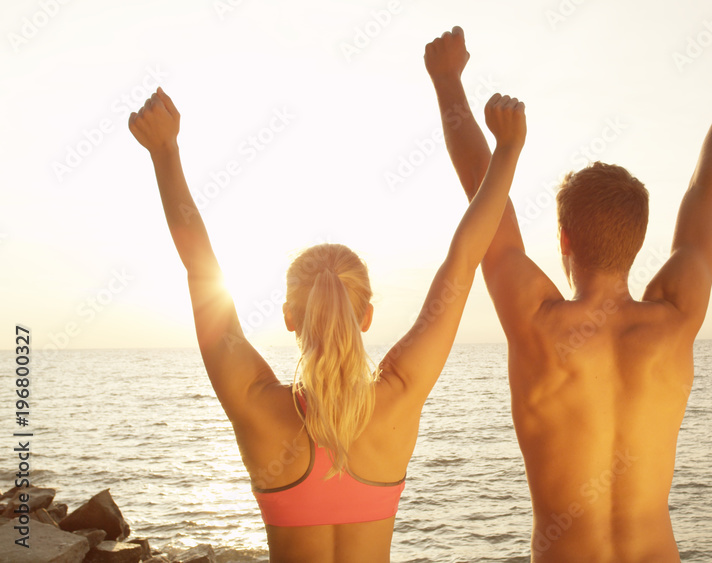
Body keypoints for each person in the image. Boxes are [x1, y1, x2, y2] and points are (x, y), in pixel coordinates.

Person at [128, 85, 526, 562]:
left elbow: (200, 267)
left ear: (289, 317)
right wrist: (506, 150)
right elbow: (463, 262)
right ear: (367, 317)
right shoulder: (400, 393)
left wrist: (165, 150)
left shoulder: (255, 405)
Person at [426, 26, 712, 561]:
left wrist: (447, 82)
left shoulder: (536, 322)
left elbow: (484, 197)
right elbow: (709, 189)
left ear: (563, 238)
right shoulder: (675, 317)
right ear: (639, 242)